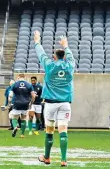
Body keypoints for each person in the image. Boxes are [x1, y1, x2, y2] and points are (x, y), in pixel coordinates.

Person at [34, 31, 75, 167]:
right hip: (65, 104)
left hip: (51, 104)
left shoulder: (50, 65)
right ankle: (63, 160)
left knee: (49, 131)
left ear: (54, 57)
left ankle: (47, 157)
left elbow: (41, 54)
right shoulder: (70, 65)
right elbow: (70, 56)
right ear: (64, 57)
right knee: (63, 131)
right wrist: (66, 45)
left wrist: (37, 41)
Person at [7, 74, 36, 138]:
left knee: (14, 117)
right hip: (25, 103)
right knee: (23, 118)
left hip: (17, 103)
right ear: (24, 77)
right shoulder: (29, 85)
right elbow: (33, 96)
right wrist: (31, 104)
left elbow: (10, 95)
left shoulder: (15, 84)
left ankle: (15, 127)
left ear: (18, 77)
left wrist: (9, 103)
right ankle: (22, 134)